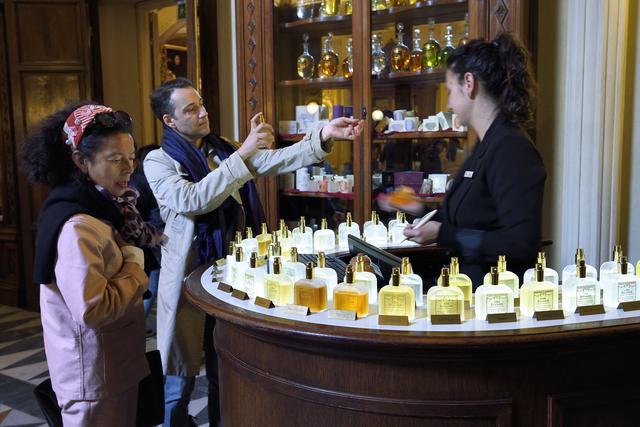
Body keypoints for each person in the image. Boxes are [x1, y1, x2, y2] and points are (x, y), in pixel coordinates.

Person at [143, 78, 362, 426]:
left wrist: (323, 135)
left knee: (223, 363)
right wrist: (243, 154)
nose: (202, 113)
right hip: (187, 276)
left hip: (232, 273)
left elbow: (276, 160)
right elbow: (192, 199)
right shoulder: (158, 160)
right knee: (179, 378)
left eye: (201, 104)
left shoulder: (222, 149)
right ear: (169, 121)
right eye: (190, 109)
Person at [23, 103, 164, 426]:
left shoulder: (107, 207)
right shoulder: (79, 226)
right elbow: (92, 309)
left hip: (112, 366)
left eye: (131, 158)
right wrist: (134, 263)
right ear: (80, 161)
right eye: (115, 160)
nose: (128, 169)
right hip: (93, 375)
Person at [402, 33, 546, 285]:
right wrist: (419, 210)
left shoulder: (511, 148)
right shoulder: (486, 142)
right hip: (466, 289)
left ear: (469, 83)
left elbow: (520, 244)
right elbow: (467, 219)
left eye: (449, 91)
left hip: (493, 299)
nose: (448, 104)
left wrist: (443, 234)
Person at [130, 144, 164, 319]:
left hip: (139, 238)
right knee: (152, 278)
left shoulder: (133, 180)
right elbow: (156, 213)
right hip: (146, 239)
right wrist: (158, 235)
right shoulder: (142, 182)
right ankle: (140, 321)